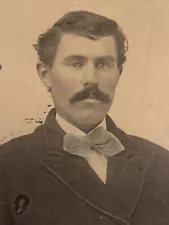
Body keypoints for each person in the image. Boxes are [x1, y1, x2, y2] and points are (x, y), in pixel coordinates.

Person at [0, 10, 169, 225]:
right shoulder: (7, 167)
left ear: (119, 72)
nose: (91, 79)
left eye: (103, 64)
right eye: (76, 64)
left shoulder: (161, 164)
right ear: (45, 75)